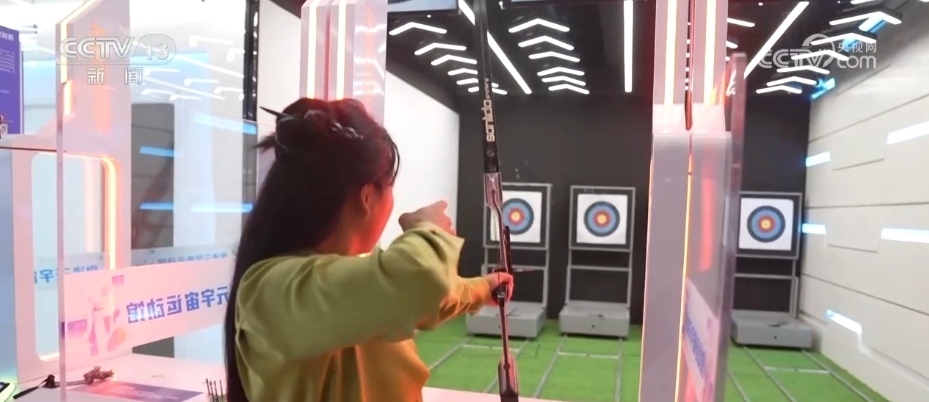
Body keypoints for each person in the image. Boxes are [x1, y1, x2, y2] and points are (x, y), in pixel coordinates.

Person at [223, 98, 514, 402]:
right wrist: (430, 229)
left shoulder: (322, 281)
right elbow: (420, 281)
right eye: (389, 186)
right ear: (366, 195)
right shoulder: (270, 289)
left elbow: (404, 297)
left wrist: (483, 288)